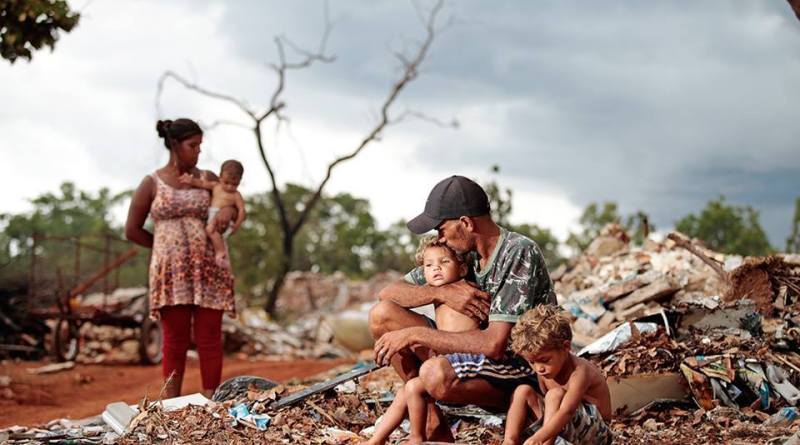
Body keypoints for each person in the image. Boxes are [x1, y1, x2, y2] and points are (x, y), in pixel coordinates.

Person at [369, 175, 557, 442]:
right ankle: (434, 425)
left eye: (441, 230)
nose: (440, 239)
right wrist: (441, 291)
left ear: (466, 223)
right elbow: (387, 293)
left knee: (434, 374)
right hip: (469, 356)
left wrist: (414, 335)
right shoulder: (461, 252)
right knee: (382, 315)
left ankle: (510, 413)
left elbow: (495, 344)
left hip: (517, 368)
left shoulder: (518, 252)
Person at [125, 118, 235, 399]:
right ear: (175, 145)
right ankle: (170, 406)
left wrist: (227, 213)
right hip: (171, 274)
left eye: (200, 145)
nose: (198, 151)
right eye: (193, 145)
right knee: (175, 341)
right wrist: (163, 250)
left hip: (208, 270)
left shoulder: (208, 179)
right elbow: (132, 229)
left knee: (209, 339)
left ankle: (211, 401)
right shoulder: (151, 183)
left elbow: (231, 202)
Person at [363, 236, 476, 445]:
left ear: (462, 269)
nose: (436, 269)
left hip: (465, 357)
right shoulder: (437, 280)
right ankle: (377, 440)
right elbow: (386, 293)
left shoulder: (467, 287)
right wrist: (437, 292)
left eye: (444, 263)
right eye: (429, 265)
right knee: (409, 389)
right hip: (442, 352)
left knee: (412, 388)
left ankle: (416, 437)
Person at [502, 305, 612, 445]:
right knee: (522, 391)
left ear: (566, 347)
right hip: (564, 427)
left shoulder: (580, 372)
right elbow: (549, 408)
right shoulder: (544, 371)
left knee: (554, 395)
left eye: (544, 360)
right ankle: (509, 441)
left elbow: (566, 411)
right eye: (532, 362)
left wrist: (539, 437)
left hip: (597, 434)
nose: (539, 368)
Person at [179, 159, 246, 269]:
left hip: (222, 219)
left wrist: (237, 225)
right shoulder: (216, 186)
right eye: (226, 182)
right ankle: (219, 253)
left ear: (240, 181)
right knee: (212, 233)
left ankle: (220, 252)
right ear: (220, 177)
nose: (229, 187)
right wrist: (190, 180)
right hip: (212, 214)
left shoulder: (236, 195)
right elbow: (202, 183)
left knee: (210, 230)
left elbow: (242, 211)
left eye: (235, 184)